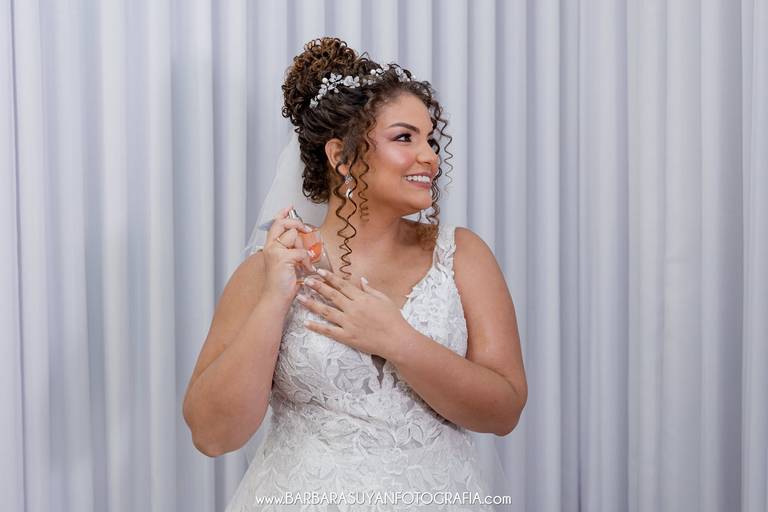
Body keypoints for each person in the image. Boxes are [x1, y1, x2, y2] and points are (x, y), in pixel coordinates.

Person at [182, 37, 527, 511]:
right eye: (405, 138)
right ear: (341, 157)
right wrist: (274, 300)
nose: (430, 156)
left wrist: (398, 341)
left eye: (430, 140)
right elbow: (212, 435)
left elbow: (504, 412)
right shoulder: (270, 268)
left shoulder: (463, 256)